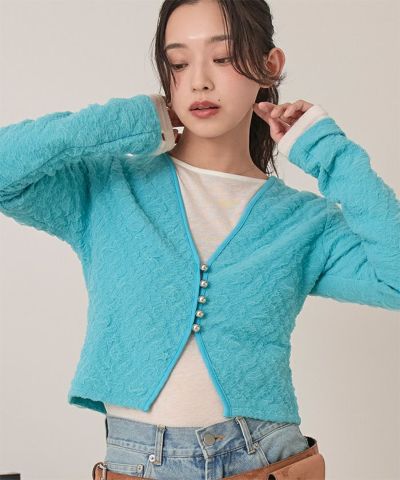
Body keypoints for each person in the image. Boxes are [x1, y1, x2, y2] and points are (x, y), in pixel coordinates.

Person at [1, 0, 399, 479]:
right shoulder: (108, 189)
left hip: (265, 459)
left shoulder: (303, 222)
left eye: (223, 57)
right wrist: (126, 122)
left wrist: (327, 151)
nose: (199, 81)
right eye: (178, 63)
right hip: (138, 462)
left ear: (270, 65)